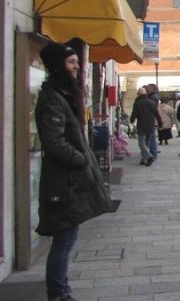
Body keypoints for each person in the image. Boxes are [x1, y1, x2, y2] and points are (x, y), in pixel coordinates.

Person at [36, 42, 112, 301]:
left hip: (67, 180)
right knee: (64, 240)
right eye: (71, 63)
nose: (77, 68)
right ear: (58, 66)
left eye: (77, 63)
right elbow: (54, 141)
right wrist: (80, 160)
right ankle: (58, 293)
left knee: (67, 238)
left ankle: (60, 289)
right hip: (63, 182)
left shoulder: (61, 94)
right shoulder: (54, 98)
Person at [130, 88, 162, 166]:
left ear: (139, 94)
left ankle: (149, 156)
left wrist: (132, 120)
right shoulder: (152, 103)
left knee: (141, 143)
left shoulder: (137, 103)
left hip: (141, 125)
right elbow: (157, 114)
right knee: (146, 143)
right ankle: (144, 159)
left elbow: (134, 114)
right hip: (150, 125)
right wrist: (160, 122)